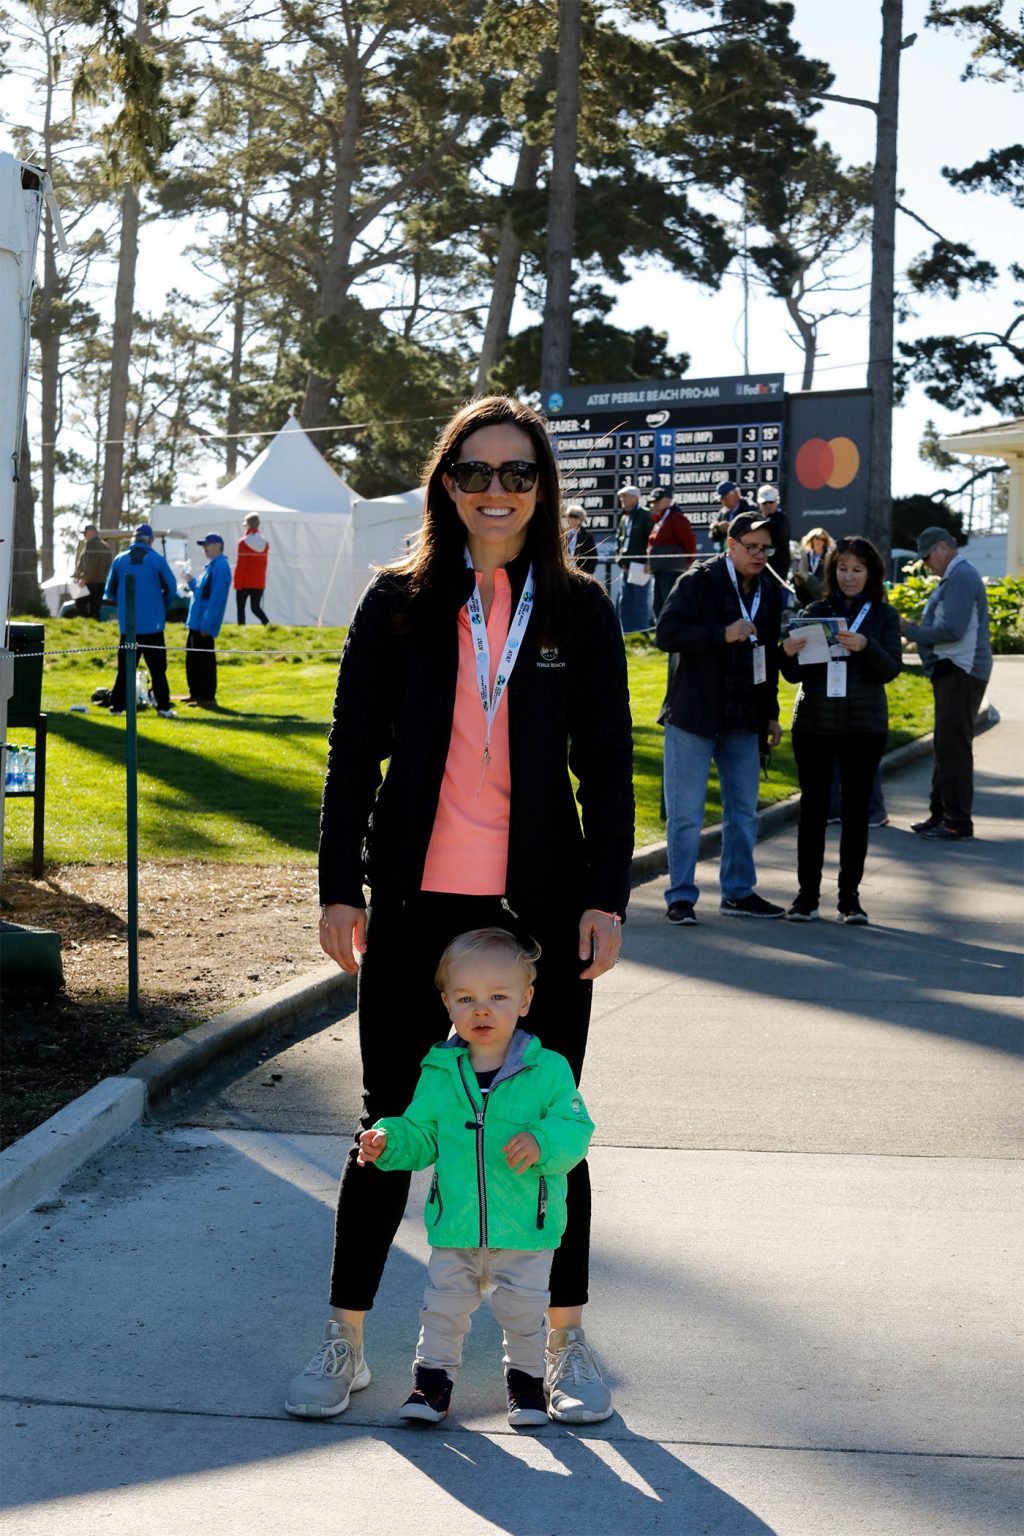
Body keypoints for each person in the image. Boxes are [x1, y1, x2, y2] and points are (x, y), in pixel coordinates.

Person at [285, 394, 633, 1427]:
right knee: (388, 1126)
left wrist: (606, 898)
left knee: (547, 1125)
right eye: (473, 472)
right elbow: (354, 754)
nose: (494, 491)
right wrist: (337, 886)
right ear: (445, 482)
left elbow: (607, 768)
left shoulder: (578, 610)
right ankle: (342, 1344)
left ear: (542, 488)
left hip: (542, 909)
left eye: (515, 474)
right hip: (412, 900)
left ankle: (562, 1347)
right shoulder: (395, 603)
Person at [357, 927, 595, 1429]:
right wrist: (388, 1141)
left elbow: (576, 1127)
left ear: (525, 1001)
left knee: (524, 1316)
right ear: (446, 1003)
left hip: (526, 1231)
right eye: (466, 998)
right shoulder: (440, 1071)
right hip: (456, 1225)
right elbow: (422, 1135)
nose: (481, 1010)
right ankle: (431, 1384)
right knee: (442, 1310)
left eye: (497, 997)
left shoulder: (548, 1069)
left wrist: (542, 1142)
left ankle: (527, 1388)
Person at [655, 509, 785, 926]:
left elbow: (767, 657)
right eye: (752, 547)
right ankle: (680, 897)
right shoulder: (699, 581)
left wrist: (771, 715)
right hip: (693, 717)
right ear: (730, 546)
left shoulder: (770, 589)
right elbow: (666, 634)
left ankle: (738, 891)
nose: (760, 555)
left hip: (744, 719)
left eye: (767, 548)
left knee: (744, 811)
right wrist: (720, 633)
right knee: (687, 815)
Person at [780, 537, 902, 924]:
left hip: (863, 727)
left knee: (854, 813)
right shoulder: (815, 611)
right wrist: (786, 652)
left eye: (858, 570)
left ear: (871, 574)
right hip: (814, 725)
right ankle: (806, 897)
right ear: (833, 571)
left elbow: (891, 670)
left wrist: (866, 645)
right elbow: (793, 675)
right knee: (812, 813)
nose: (850, 577)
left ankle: (850, 898)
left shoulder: (882, 615)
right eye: (843, 568)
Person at [899, 526, 992, 841]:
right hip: (956, 670)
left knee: (953, 748)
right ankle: (941, 816)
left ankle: (956, 822)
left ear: (941, 548)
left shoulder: (961, 576)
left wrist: (910, 630)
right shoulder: (957, 576)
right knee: (946, 745)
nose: (927, 564)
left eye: (927, 558)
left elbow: (951, 629)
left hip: (961, 670)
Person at [102, 524, 178, 718]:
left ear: (133, 539)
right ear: (150, 540)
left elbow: (109, 591)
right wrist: (161, 604)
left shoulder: (119, 560)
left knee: (125, 669)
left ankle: (117, 707)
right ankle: (163, 707)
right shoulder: (157, 560)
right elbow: (172, 588)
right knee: (158, 670)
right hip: (153, 625)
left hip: (128, 626)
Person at [182, 533, 232, 708]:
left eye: (207, 545)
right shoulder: (210, 567)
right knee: (193, 659)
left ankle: (207, 697)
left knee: (204, 661)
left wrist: (207, 624)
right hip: (196, 622)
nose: (204, 548)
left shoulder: (220, 567)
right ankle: (196, 693)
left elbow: (216, 599)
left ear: (218, 546)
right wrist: (191, 582)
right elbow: (202, 593)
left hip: (203, 624)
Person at [646, 486, 697, 620]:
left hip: (672, 571)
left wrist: (688, 561)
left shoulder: (676, 518)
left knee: (670, 606)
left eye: (657, 501)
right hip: (659, 570)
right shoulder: (660, 519)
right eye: (652, 502)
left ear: (668, 500)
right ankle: (662, 637)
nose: (654, 505)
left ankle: (674, 637)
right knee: (658, 607)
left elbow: (688, 542)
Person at [614, 483, 653, 632]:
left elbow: (651, 540)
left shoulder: (645, 514)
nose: (622, 500)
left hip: (640, 565)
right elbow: (619, 540)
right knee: (625, 602)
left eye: (625, 497)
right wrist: (619, 559)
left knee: (638, 602)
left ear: (635, 498)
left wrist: (648, 562)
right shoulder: (624, 517)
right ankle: (626, 634)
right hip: (625, 566)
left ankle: (640, 634)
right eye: (621, 497)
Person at [234, 513, 270, 624]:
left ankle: (241, 630)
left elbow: (241, 565)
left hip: (244, 581)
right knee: (255, 608)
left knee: (241, 608)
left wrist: (237, 583)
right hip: (259, 582)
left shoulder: (243, 542)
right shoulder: (265, 543)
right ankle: (267, 624)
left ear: (248, 525)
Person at [754, 484, 791, 588]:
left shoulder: (782, 519)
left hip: (776, 572)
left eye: (771, 502)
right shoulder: (756, 518)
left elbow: (768, 531)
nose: (768, 505)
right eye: (764, 502)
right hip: (758, 568)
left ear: (777, 501)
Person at [73, 524, 113, 618]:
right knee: (95, 608)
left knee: (79, 604)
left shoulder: (91, 544)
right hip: (102, 582)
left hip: (88, 581)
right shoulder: (106, 546)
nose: (84, 536)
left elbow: (90, 563)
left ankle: (84, 625)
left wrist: (83, 578)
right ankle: (93, 626)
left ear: (91, 533)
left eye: (85, 533)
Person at [793, 528, 835, 609]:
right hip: (806, 598)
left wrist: (807, 576)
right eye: (817, 538)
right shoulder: (806, 555)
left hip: (822, 596)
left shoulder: (829, 556)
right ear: (812, 539)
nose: (820, 541)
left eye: (823, 539)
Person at [564, 503, 599, 574]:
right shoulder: (562, 536)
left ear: (581, 519)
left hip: (581, 576)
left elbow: (593, 559)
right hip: (563, 575)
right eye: (569, 515)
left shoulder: (587, 537)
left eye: (573, 515)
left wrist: (586, 575)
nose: (570, 518)